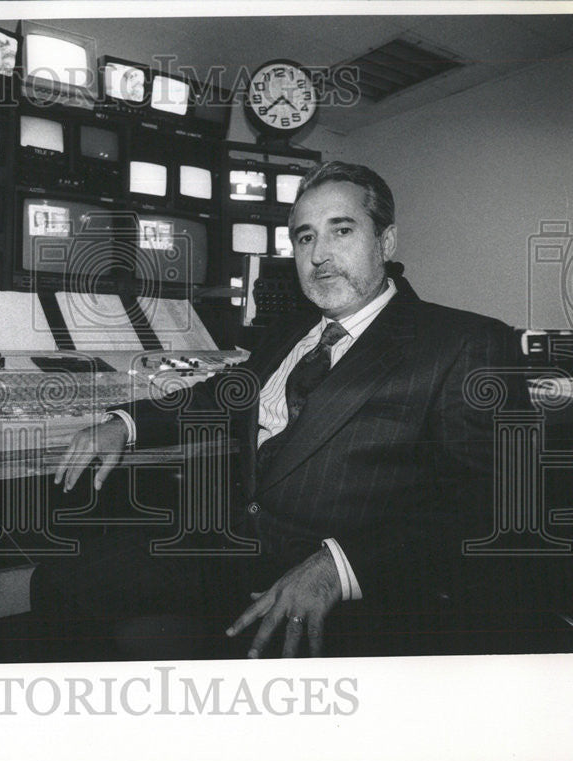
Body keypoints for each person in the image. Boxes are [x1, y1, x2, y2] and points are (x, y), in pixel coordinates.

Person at [34, 161, 531, 660]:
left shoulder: (463, 342)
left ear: (386, 241)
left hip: (342, 581)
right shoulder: (291, 332)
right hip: (230, 547)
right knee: (59, 580)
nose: (320, 256)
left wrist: (339, 566)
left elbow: (492, 502)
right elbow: (220, 394)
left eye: (342, 230)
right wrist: (126, 422)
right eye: (305, 238)